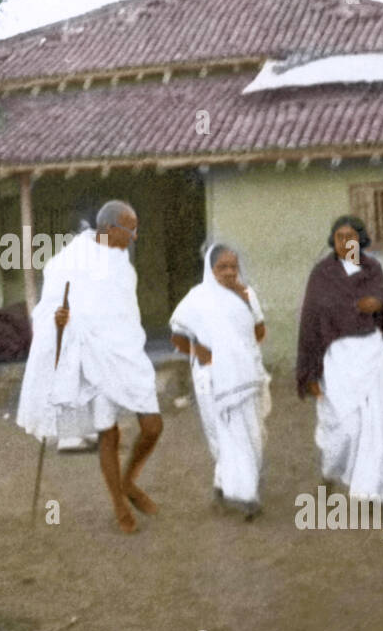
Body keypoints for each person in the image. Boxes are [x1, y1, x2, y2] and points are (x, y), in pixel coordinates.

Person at [16, 200, 163, 534]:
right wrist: (58, 320)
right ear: (110, 229)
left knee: (153, 426)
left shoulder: (123, 262)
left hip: (126, 352)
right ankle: (118, 503)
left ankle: (128, 481)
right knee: (108, 432)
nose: (135, 237)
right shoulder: (68, 262)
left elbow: (126, 310)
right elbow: (47, 309)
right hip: (92, 354)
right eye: (130, 230)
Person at [296, 215, 383, 500]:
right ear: (333, 241)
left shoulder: (372, 269)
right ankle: (331, 474)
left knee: (374, 425)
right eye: (340, 237)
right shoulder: (322, 274)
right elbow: (310, 322)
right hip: (337, 359)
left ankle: (370, 490)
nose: (346, 243)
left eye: (351, 237)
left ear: (361, 239)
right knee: (343, 427)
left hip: (371, 354)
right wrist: (310, 373)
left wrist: (378, 304)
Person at [169, 243, 270, 520]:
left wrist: (245, 302)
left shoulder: (247, 295)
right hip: (212, 380)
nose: (228, 272)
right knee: (226, 437)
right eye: (221, 267)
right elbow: (177, 335)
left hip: (246, 376)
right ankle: (246, 497)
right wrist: (204, 354)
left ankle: (223, 487)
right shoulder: (197, 299)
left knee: (253, 435)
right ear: (209, 269)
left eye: (233, 267)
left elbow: (259, 333)